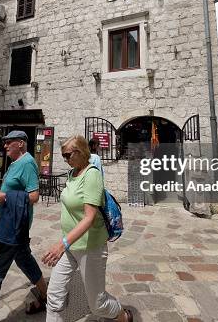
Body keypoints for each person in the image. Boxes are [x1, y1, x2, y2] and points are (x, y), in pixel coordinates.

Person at [42, 136, 132, 322]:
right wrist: (66, 243)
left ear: (81, 152)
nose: (65, 159)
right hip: (70, 246)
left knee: (97, 304)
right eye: (63, 155)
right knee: (54, 295)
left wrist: (61, 244)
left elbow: (89, 218)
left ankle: (123, 316)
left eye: (67, 155)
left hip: (90, 247)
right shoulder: (72, 173)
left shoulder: (92, 175)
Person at [0, 130, 48, 322]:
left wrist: (5, 197)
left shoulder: (28, 163)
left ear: (20, 144)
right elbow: (3, 192)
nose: (4, 146)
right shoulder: (14, 164)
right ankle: (47, 297)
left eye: (8, 142)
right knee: (25, 261)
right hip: (11, 223)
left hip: (14, 226)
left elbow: (34, 196)